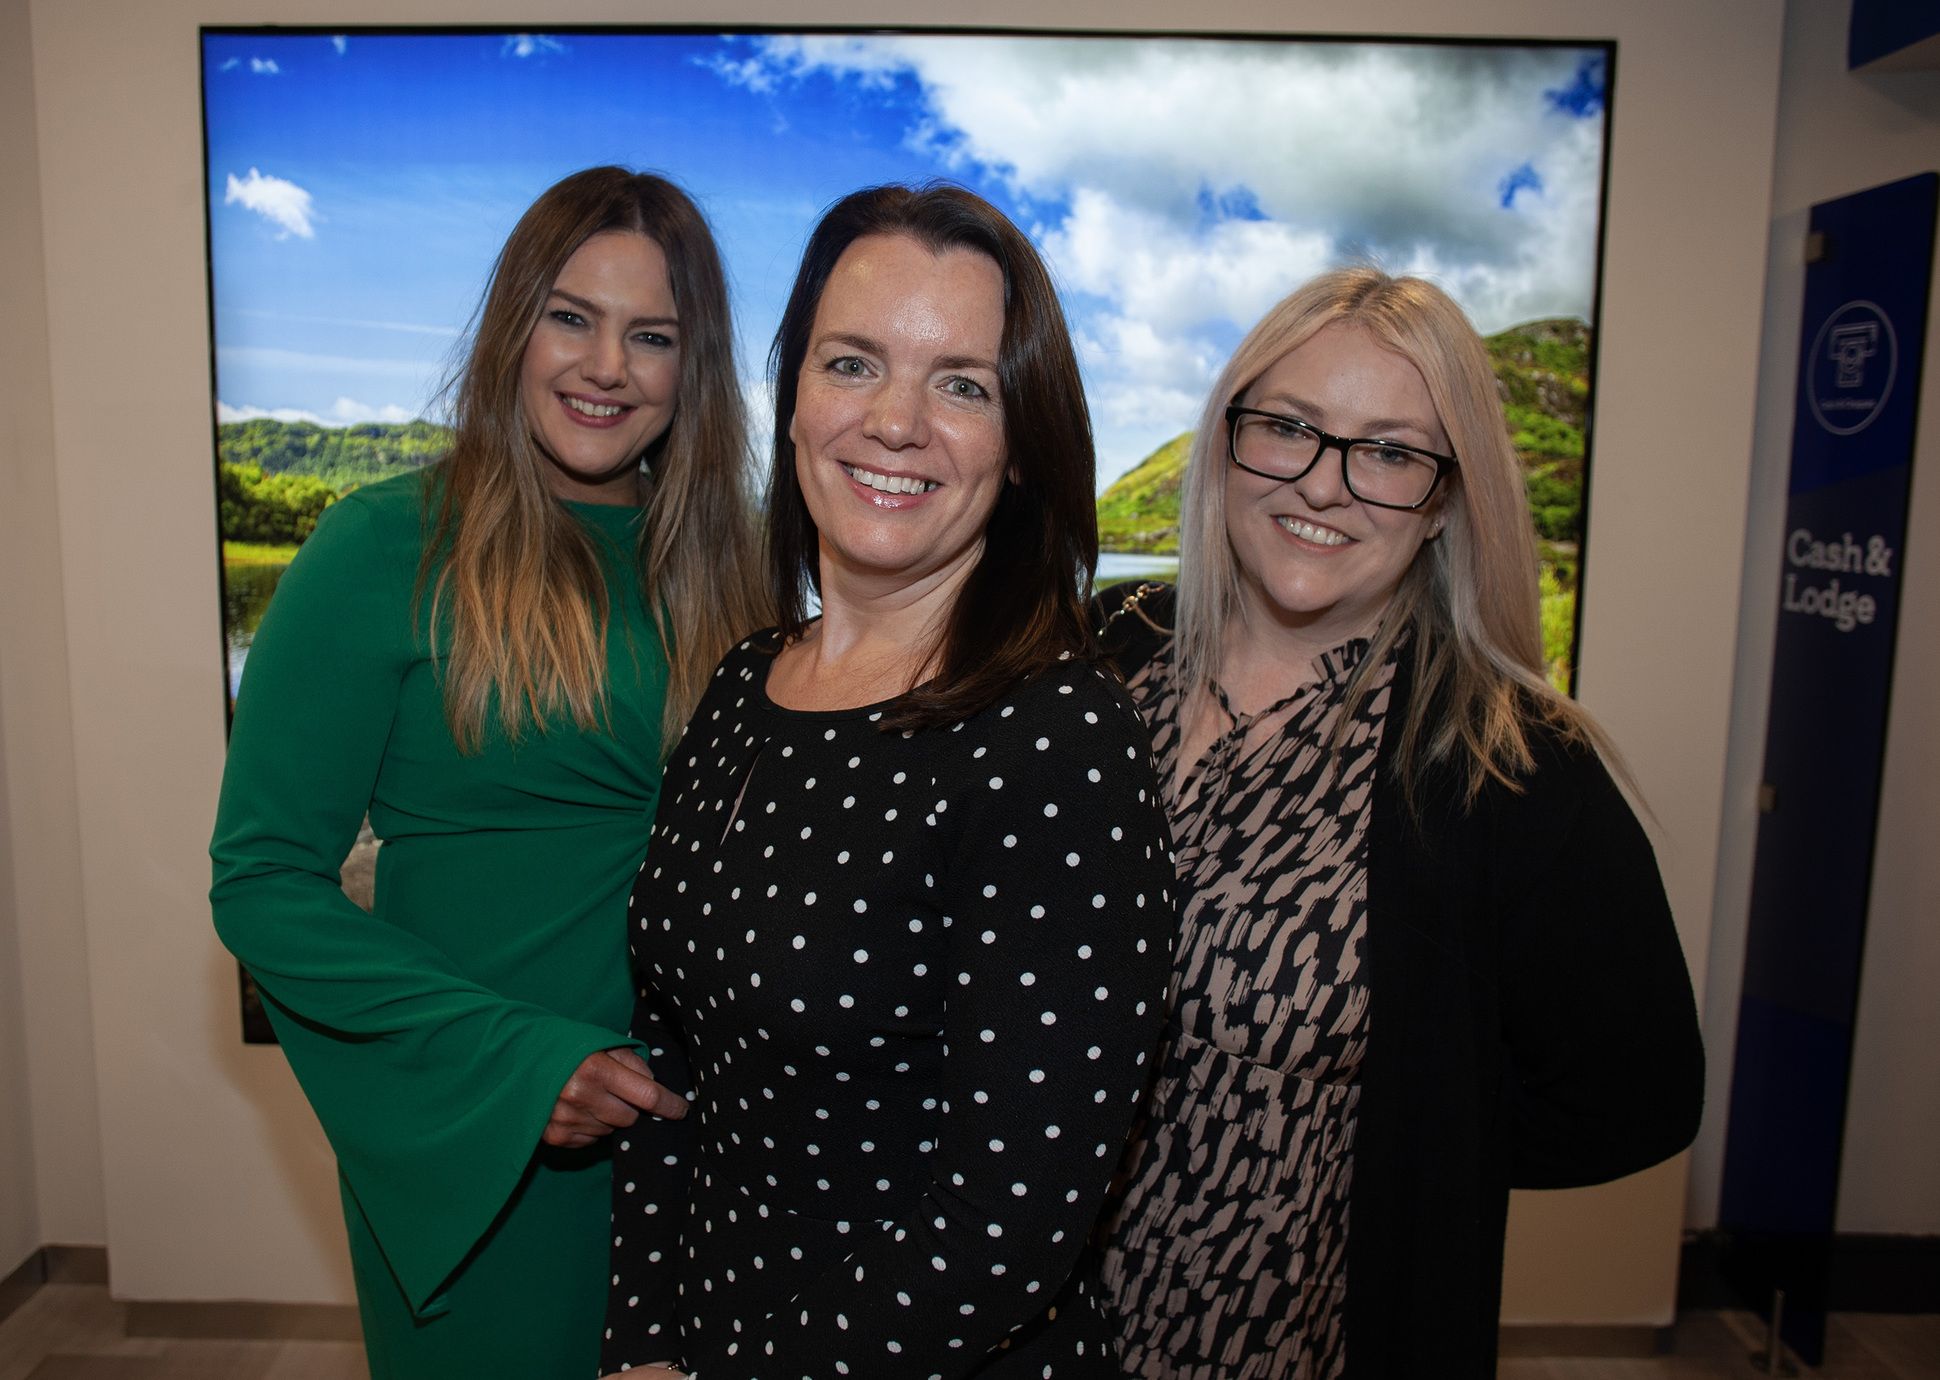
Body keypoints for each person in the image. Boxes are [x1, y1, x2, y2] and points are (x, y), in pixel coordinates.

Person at [598, 184, 1177, 1379]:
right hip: (707, 1334)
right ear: (796, 397)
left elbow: (1008, 1225)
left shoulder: (1056, 737)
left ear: (1022, 447)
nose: (896, 423)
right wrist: (645, 1342)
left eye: (962, 383)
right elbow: (668, 1072)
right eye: (852, 362)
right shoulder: (744, 685)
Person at [1093, 268, 1704, 1380]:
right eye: (1287, 427)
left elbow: (1635, 1095)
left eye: (1387, 452)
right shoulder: (1094, 655)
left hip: (1274, 1344)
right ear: (1226, 438)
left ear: (1442, 500)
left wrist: (1422, 1147)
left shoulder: (1509, 764)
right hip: (1008, 1323)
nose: (1323, 486)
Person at [210, 166, 767, 1379]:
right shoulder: (385, 545)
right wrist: (517, 1069)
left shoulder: (743, 577)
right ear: (513, 323)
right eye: (571, 315)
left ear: (695, 369)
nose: (605, 365)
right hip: (490, 1142)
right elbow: (259, 879)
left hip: (716, 1144)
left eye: (653, 335)